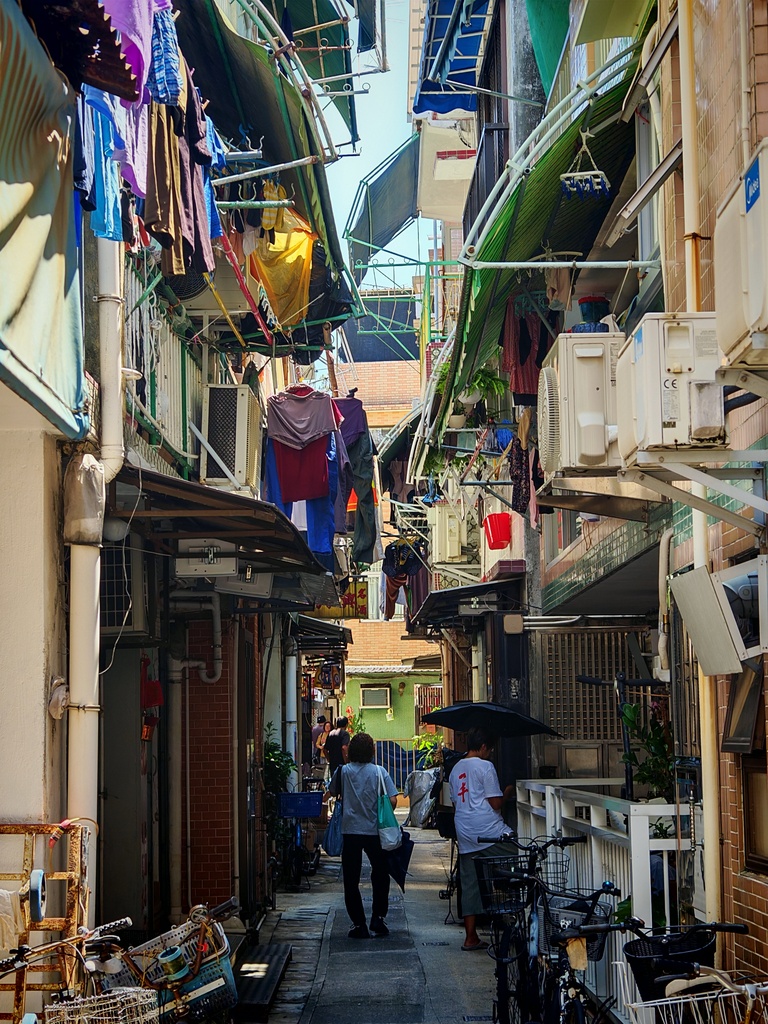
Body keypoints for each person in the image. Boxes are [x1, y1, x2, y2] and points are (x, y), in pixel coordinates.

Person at [449, 727, 515, 951]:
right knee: (520, 854)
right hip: (488, 830)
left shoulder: (455, 768)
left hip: (465, 830)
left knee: (469, 884)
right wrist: (507, 792)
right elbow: (495, 803)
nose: (490, 753)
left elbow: (456, 802)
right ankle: (516, 908)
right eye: (490, 749)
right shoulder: (486, 767)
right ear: (484, 746)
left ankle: (470, 937)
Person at [328, 732, 398, 938]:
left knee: (351, 880)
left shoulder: (343, 771)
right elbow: (393, 801)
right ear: (371, 751)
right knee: (381, 875)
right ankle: (378, 918)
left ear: (351, 751)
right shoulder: (379, 772)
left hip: (350, 831)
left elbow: (333, 792)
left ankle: (359, 924)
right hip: (375, 832)